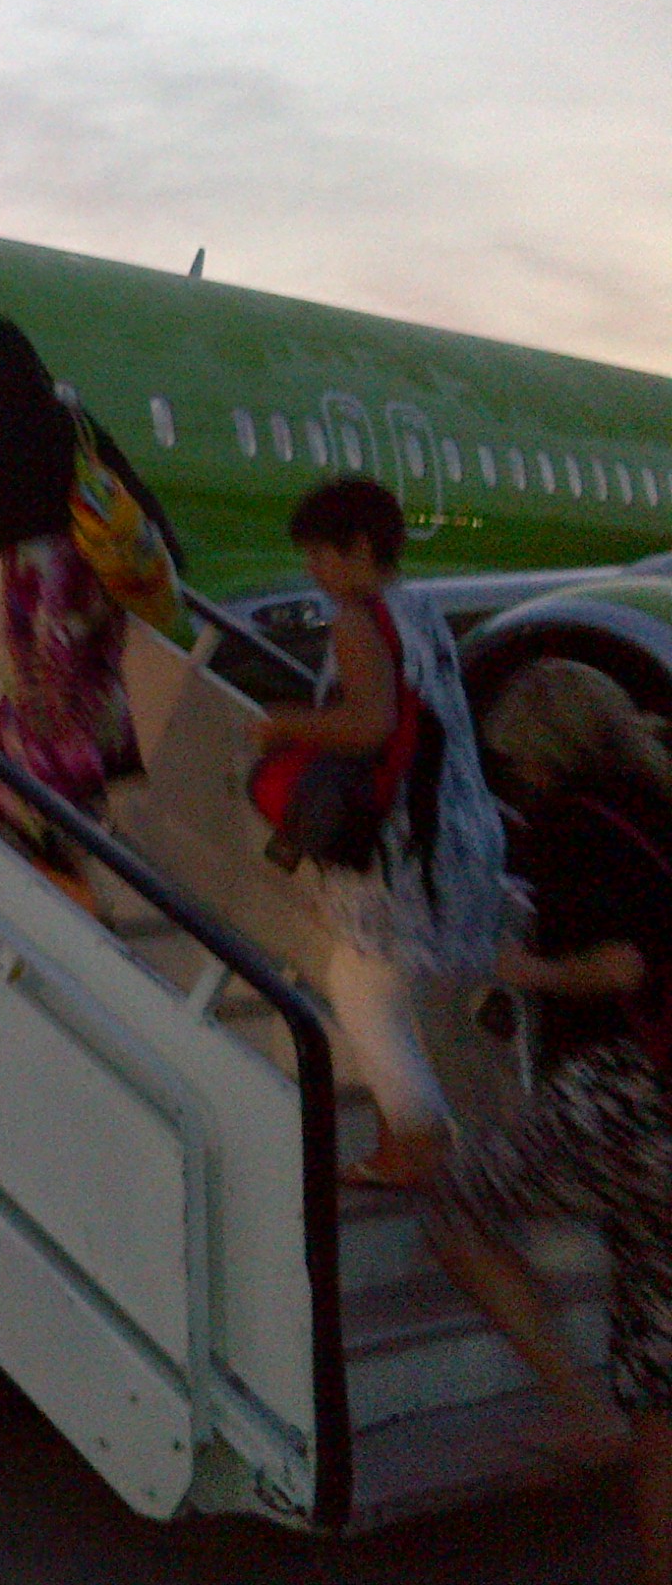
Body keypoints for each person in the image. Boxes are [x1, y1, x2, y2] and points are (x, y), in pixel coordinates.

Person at [431, 658, 672, 1579]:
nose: (517, 775)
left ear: (546, 751)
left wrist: (526, 970)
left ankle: (576, 1406)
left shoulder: (574, 825)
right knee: (661, 1384)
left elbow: (622, 966)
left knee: (459, 1209)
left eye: (519, 758)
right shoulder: (658, 806)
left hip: (627, 1093)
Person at [258, 474, 506, 1187]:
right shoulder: (420, 608)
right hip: (461, 827)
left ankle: (420, 1140)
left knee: (361, 988)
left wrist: (284, 725)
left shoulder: (358, 620)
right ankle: (409, 1136)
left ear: (360, 548)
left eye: (320, 554)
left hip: (403, 845)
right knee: (382, 987)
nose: (313, 571)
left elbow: (371, 725)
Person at [0, 318, 174, 908]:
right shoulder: (69, 420)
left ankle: (62, 862)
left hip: (40, 590)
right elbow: (130, 487)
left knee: (45, 712)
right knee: (72, 703)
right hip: (94, 583)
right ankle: (50, 823)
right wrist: (166, 552)